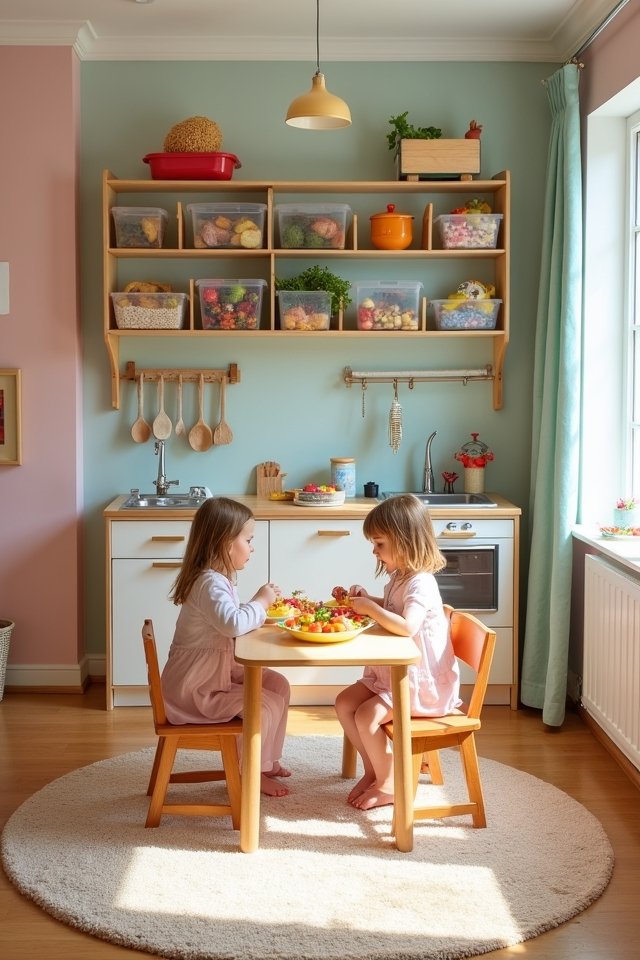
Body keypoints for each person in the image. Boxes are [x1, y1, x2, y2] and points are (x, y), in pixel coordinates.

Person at [334, 494, 461, 811]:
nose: (374, 551)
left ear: (404, 542)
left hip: (420, 685)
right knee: (344, 702)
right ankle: (376, 770)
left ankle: (390, 784)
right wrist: (369, 601)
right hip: (392, 675)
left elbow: (406, 626)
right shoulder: (399, 577)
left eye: (379, 544)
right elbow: (393, 609)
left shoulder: (421, 583)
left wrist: (370, 610)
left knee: (366, 716)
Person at [161, 496, 291, 797]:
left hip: (212, 675)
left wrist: (259, 612)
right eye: (248, 539)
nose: (252, 546)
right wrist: (261, 601)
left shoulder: (218, 580)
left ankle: (266, 761)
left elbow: (228, 621)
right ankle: (250, 775)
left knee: (277, 684)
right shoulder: (209, 583)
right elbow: (232, 623)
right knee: (264, 705)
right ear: (224, 542)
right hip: (195, 690)